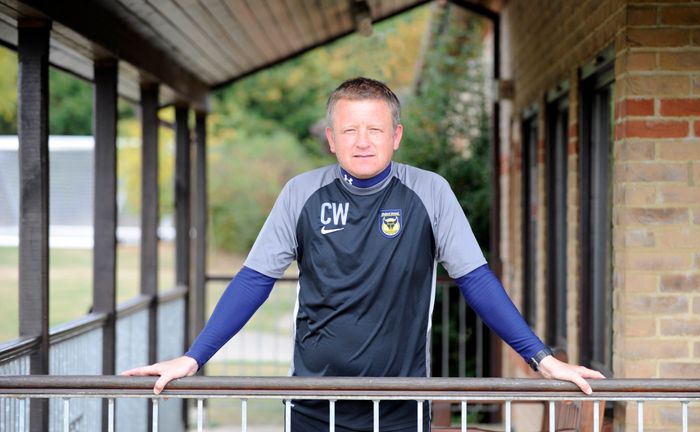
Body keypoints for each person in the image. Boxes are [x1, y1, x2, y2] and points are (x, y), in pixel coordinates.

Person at [123, 77, 605, 431]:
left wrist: (542, 360)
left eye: (374, 129)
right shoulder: (300, 193)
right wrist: (193, 358)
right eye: (348, 130)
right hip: (312, 403)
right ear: (330, 138)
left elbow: (476, 281)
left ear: (396, 135)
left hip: (401, 404)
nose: (362, 140)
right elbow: (254, 281)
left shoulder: (430, 192)